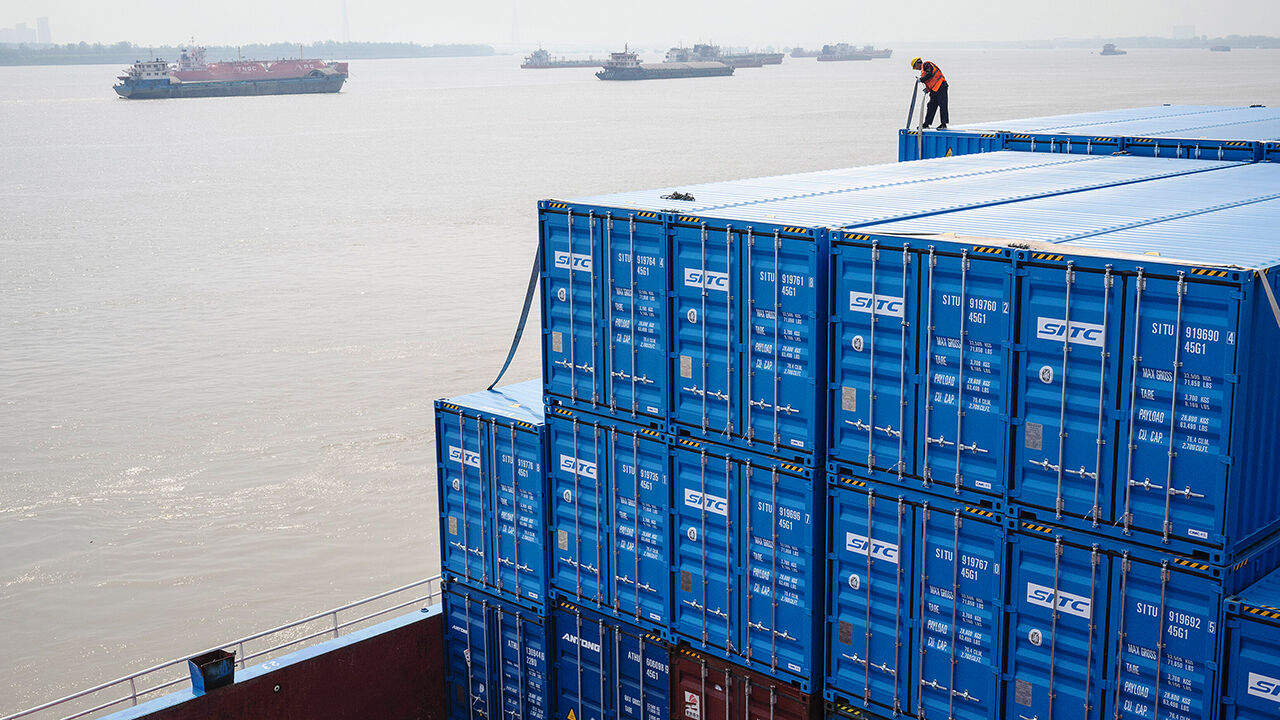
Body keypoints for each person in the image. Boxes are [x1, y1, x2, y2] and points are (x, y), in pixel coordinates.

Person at [910, 57, 948, 129]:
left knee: (942, 105)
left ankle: (943, 124)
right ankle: (926, 124)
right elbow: (930, 81)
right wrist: (927, 90)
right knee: (931, 106)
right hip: (935, 89)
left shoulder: (926, 65)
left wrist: (921, 79)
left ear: (917, 63)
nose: (916, 69)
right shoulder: (923, 71)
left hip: (941, 86)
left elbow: (929, 74)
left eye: (915, 67)